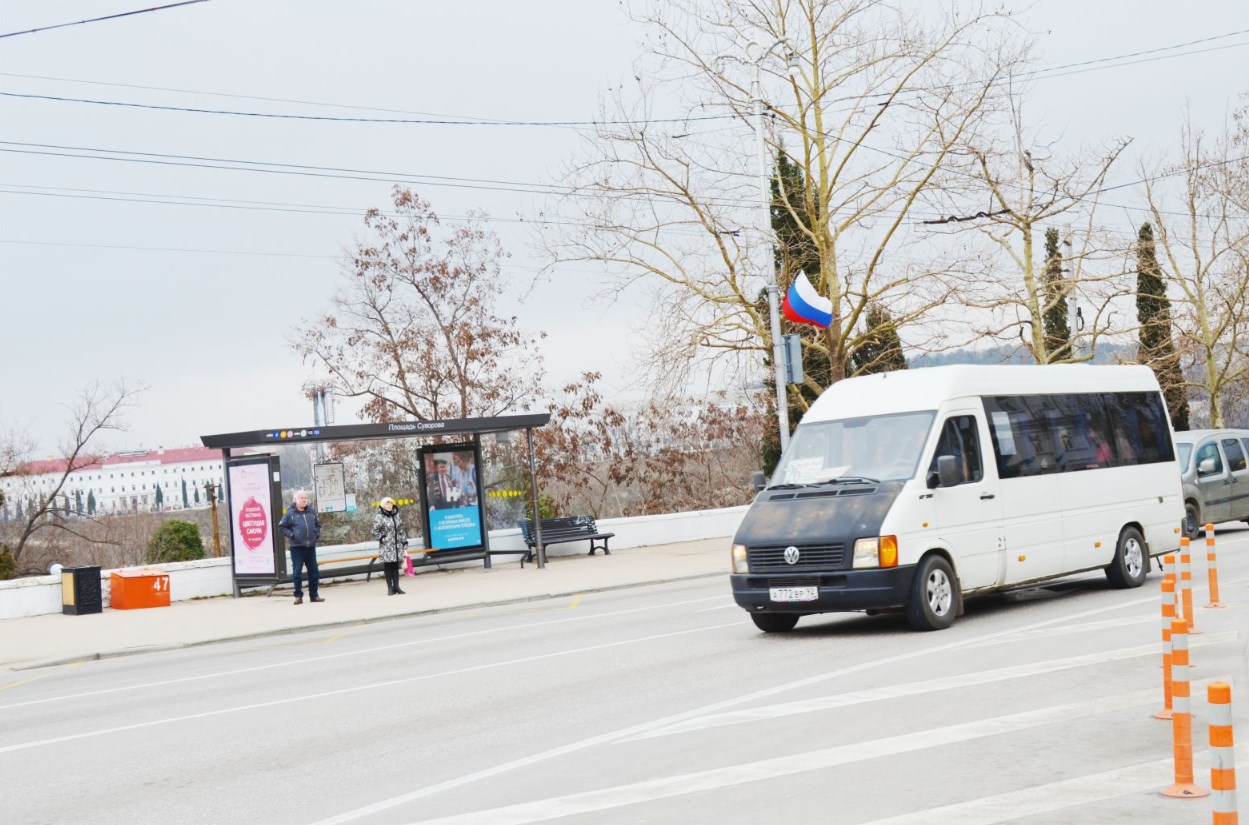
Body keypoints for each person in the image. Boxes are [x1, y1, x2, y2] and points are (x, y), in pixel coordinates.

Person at [278, 490, 323, 605]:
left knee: (314, 573)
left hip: (310, 547)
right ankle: (298, 596)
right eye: (301, 498)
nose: (304, 500)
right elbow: (282, 527)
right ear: (296, 500)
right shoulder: (290, 513)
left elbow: (317, 525)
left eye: (305, 498)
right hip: (297, 547)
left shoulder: (311, 512)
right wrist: (292, 535)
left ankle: (314, 595)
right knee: (297, 573)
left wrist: (316, 534)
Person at [372, 496, 408, 596]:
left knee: (395, 566)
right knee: (388, 566)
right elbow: (374, 531)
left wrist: (404, 542)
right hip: (386, 546)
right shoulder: (379, 516)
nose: (389, 505)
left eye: (391, 503)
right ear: (383, 505)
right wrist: (382, 538)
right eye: (387, 503)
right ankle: (390, 588)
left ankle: (397, 586)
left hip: (396, 545)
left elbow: (401, 529)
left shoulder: (396, 514)